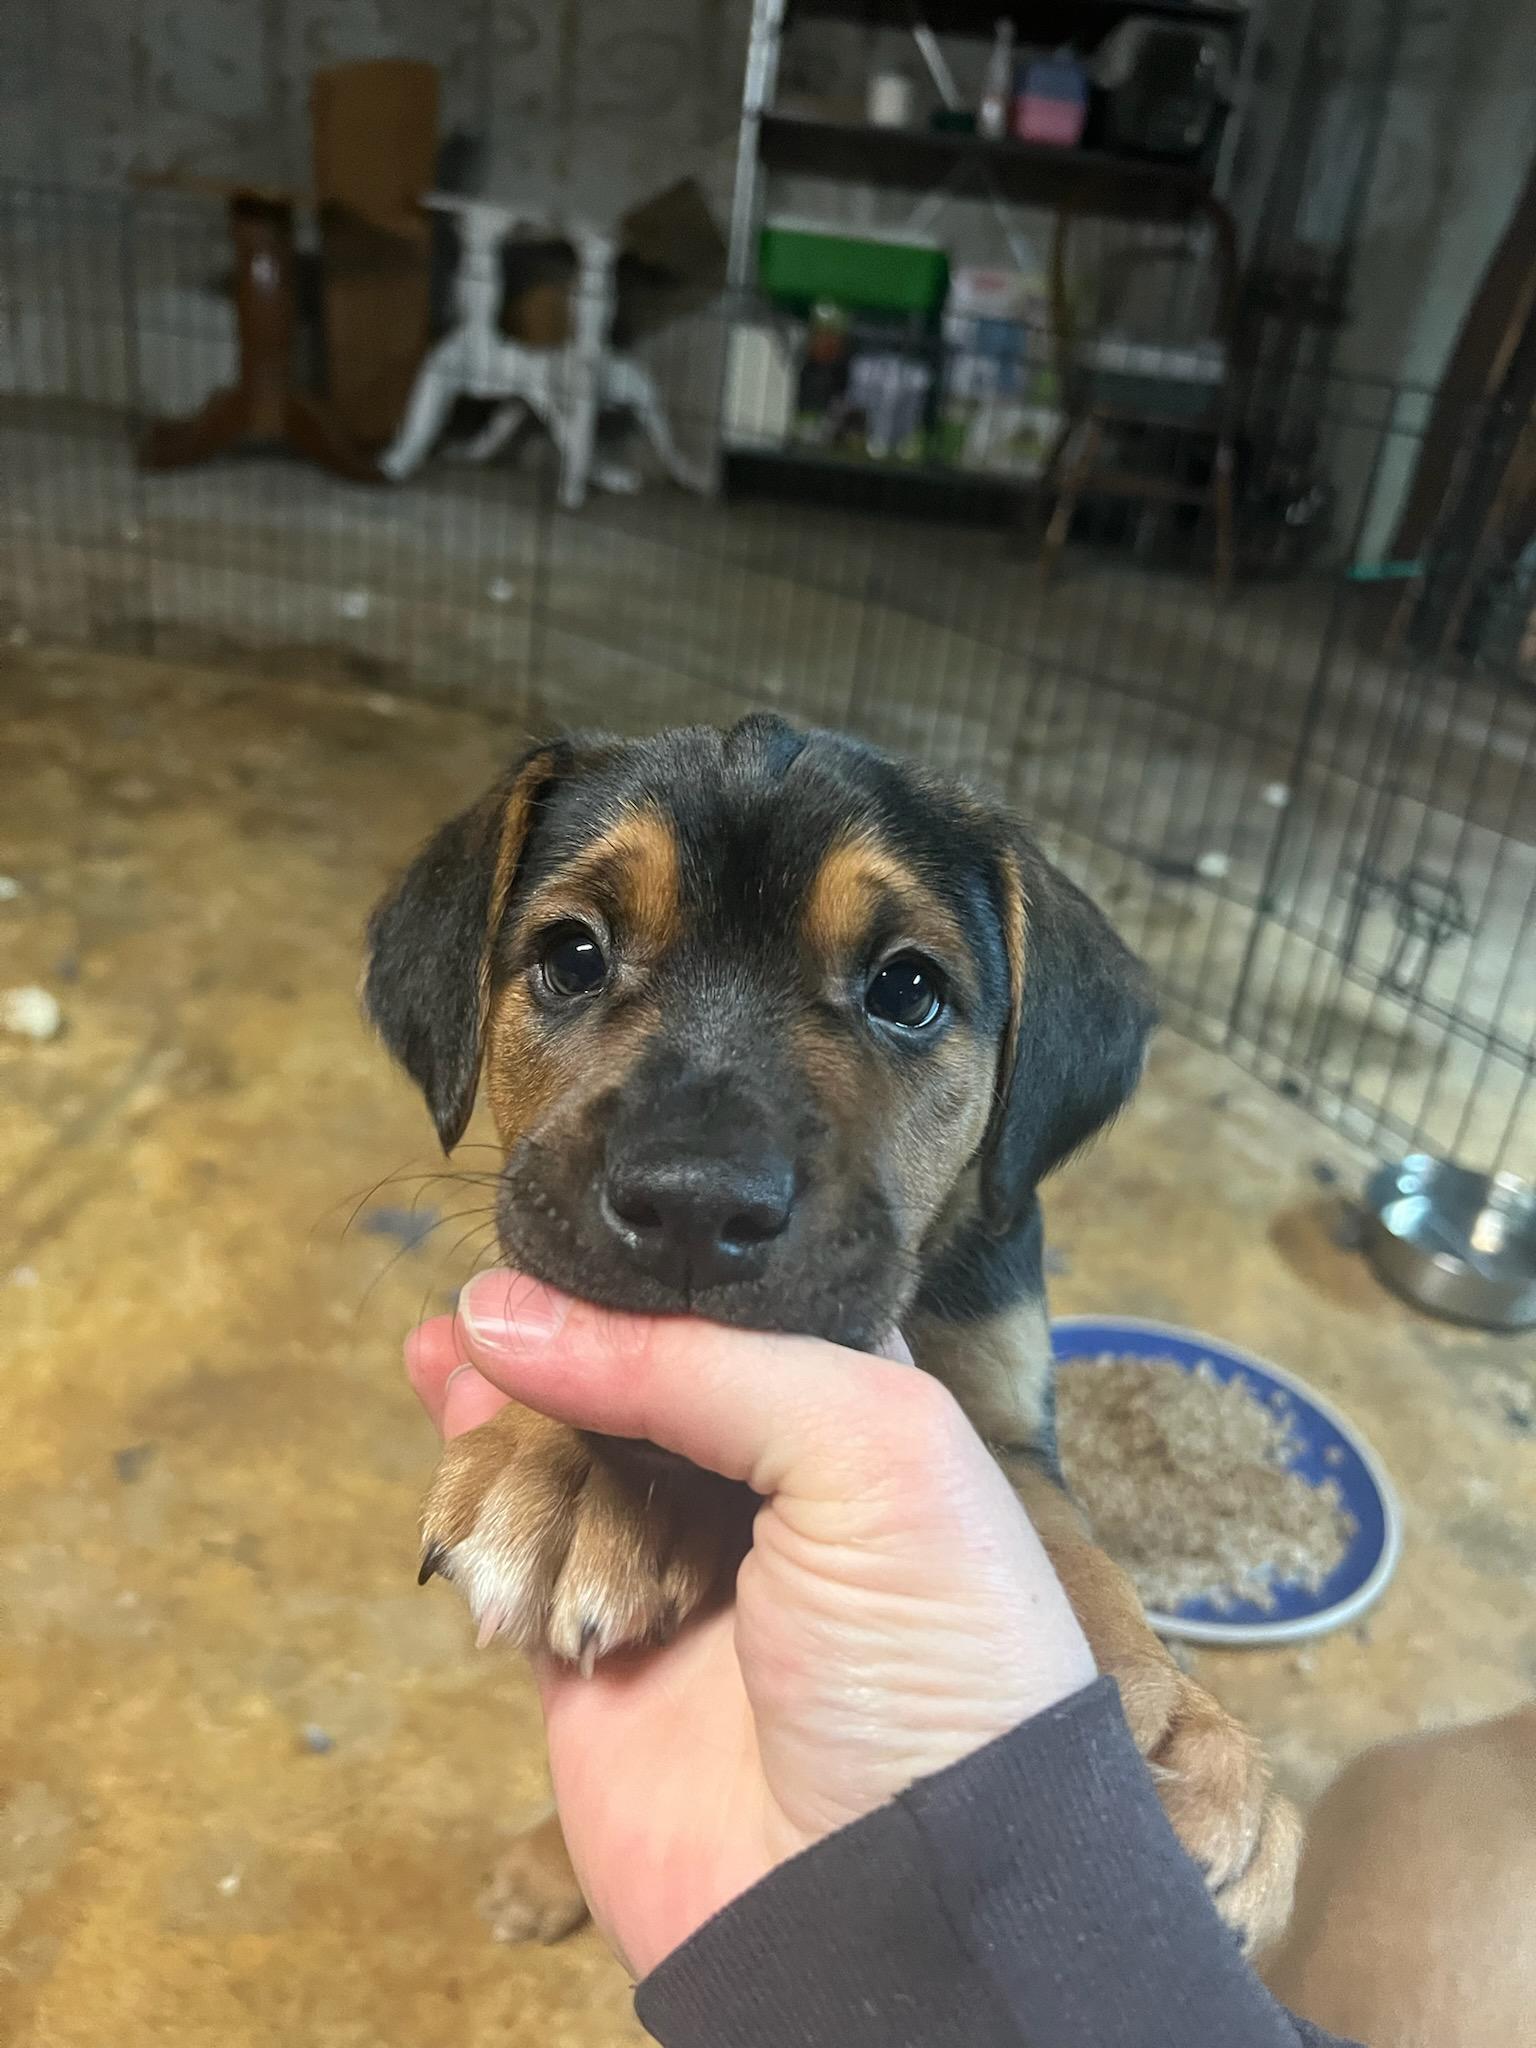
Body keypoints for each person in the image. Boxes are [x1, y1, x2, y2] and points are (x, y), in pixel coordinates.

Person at [407, 1269, 1360, 2048]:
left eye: (905, 1014)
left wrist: (1128, 1700)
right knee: (595, 1580)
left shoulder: (978, 1261)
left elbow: (1005, 1469)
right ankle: (571, 1829)